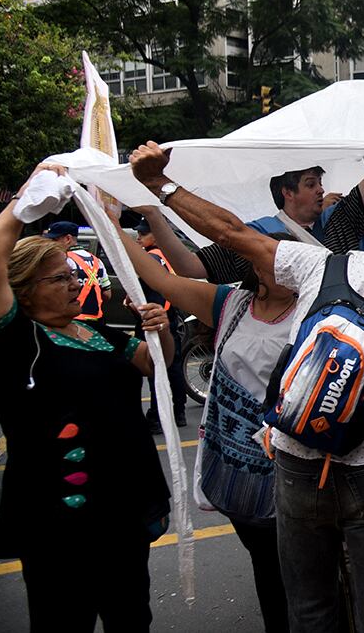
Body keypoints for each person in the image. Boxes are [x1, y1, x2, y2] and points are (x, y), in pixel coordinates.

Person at [128, 142, 364, 633]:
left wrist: (159, 185)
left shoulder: (321, 265)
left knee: (309, 606)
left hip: (296, 461)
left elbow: (230, 232)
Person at [0, 163, 172, 632]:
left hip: (121, 511)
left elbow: (151, 363)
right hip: (60, 521)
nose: (75, 284)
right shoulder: (16, 340)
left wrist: (159, 333)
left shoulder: (96, 332)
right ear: (23, 289)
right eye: (60, 279)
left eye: (72, 276)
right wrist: (24, 202)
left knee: (131, 618)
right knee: (63, 621)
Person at [113, 217, 298, 633]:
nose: (285, 268)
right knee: (267, 566)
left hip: (292, 470)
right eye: (273, 259)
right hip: (233, 468)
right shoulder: (229, 304)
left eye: (293, 262)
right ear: (255, 265)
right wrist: (113, 218)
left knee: (298, 570)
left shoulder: (316, 310)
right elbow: (158, 277)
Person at [139, 152, 364, 284]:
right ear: (288, 193)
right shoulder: (260, 235)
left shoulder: (340, 219)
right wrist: (153, 215)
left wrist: (357, 116)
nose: (321, 190)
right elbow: (189, 267)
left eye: (320, 183)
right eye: (311, 184)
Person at [134, 220, 188, 431]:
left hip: (153, 318)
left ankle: (157, 416)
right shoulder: (168, 258)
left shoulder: (149, 258)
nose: (139, 237)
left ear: (155, 235)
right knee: (173, 366)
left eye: (143, 233)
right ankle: (179, 411)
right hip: (170, 316)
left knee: (154, 368)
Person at [43, 221, 111, 321]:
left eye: (54, 239)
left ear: (68, 239)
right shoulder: (97, 261)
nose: (50, 244)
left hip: (71, 321)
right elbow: (107, 294)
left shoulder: (64, 261)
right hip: (96, 320)